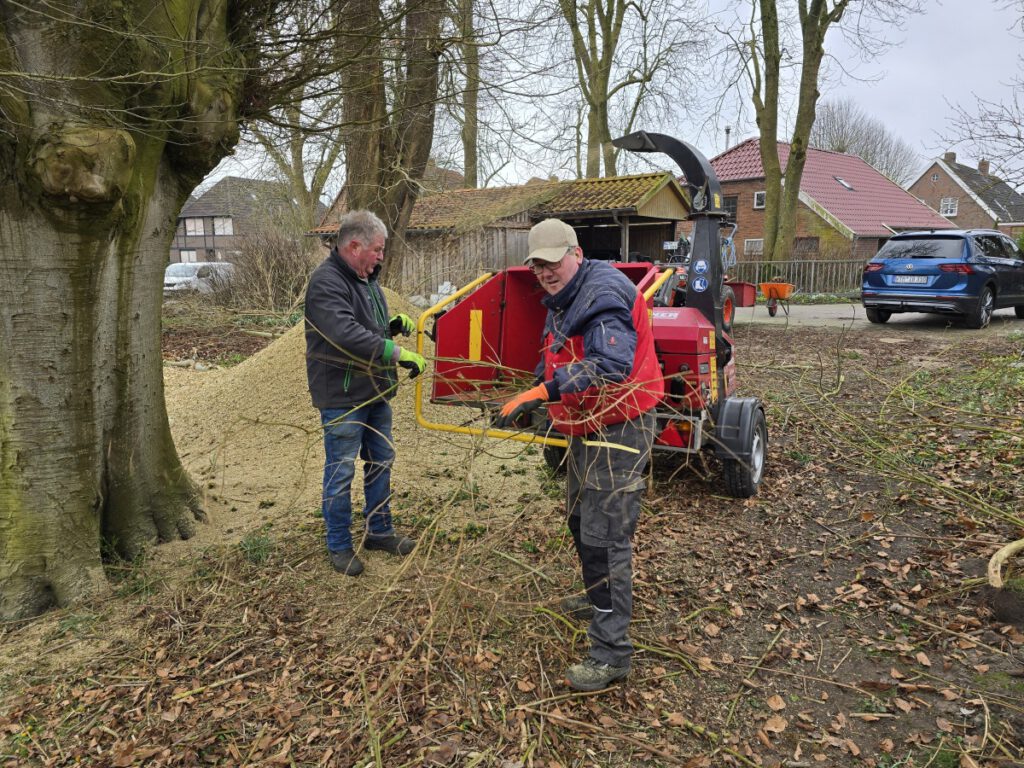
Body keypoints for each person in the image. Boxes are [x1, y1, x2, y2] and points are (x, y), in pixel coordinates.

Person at [495, 218, 664, 691]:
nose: (545, 272)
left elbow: (609, 366)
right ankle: (597, 598)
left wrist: (541, 394)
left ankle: (612, 654)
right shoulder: (568, 292)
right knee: (579, 518)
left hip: (619, 426)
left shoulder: (602, 294)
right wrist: (536, 391)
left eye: (552, 262)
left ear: (576, 252)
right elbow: (558, 350)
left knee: (606, 536)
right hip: (587, 424)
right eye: (537, 266)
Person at [304, 210, 425, 576]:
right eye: (377, 249)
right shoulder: (326, 282)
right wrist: (397, 353)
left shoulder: (365, 278)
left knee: (381, 460)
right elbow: (344, 333)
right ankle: (339, 545)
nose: (380, 257)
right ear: (354, 245)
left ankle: (379, 531)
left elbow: (365, 327)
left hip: (373, 389)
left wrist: (390, 327)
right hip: (343, 395)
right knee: (341, 471)